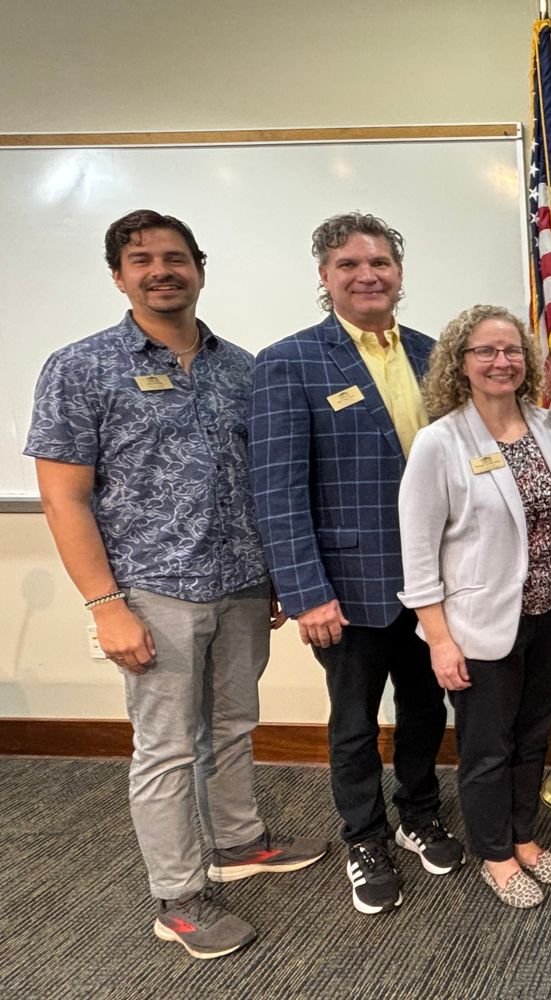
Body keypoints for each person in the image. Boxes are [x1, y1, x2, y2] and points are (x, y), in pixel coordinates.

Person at [26, 210, 327, 960]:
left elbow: (267, 481)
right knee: (164, 748)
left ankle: (237, 842)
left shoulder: (242, 368)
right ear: (118, 275)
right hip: (151, 592)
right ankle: (179, 895)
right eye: (142, 259)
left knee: (231, 724)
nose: (161, 270)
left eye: (175, 257)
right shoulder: (81, 366)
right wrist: (104, 605)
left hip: (239, 584)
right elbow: (65, 496)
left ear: (199, 266)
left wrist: (276, 576)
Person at [250, 212, 463, 916]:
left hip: (432, 583)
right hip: (345, 588)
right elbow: (277, 489)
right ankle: (364, 837)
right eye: (349, 265)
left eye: (380, 263)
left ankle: (419, 814)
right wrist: (307, 592)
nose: (367, 275)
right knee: (352, 724)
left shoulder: (437, 356)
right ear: (325, 277)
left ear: (400, 274)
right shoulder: (290, 362)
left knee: (428, 708)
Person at [397, 305, 551, 909]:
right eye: (485, 351)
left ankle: (523, 836)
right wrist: (440, 639)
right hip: (479, 626)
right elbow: (419, 552)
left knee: (534, 736)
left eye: (511, 351)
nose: (501, 362)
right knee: (486, 746)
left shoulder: (549, 427)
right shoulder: (440, 441)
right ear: (461, 362)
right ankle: (495, 854)